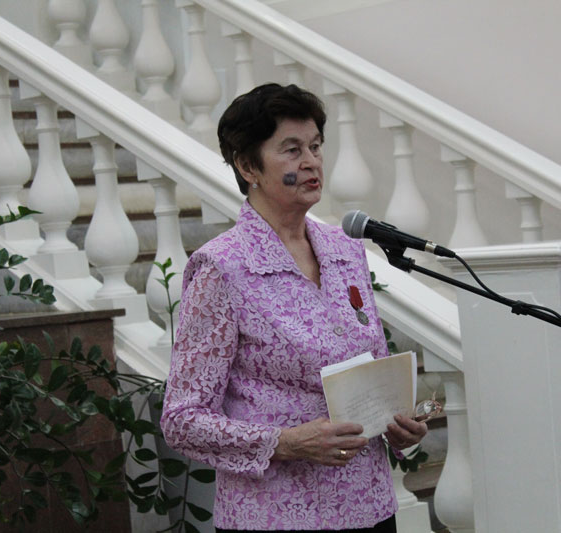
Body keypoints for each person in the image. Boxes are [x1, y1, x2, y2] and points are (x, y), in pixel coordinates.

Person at [160, 83, 427, 532]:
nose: (311, 162)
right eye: (291, 150)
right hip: (274, 517)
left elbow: (373, 371)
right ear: (248, 166)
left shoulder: (346, 251)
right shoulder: (221, 268)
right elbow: (182, 420)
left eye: (316, 147)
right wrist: (286, 442)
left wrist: (401, 426)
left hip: (370, 507)